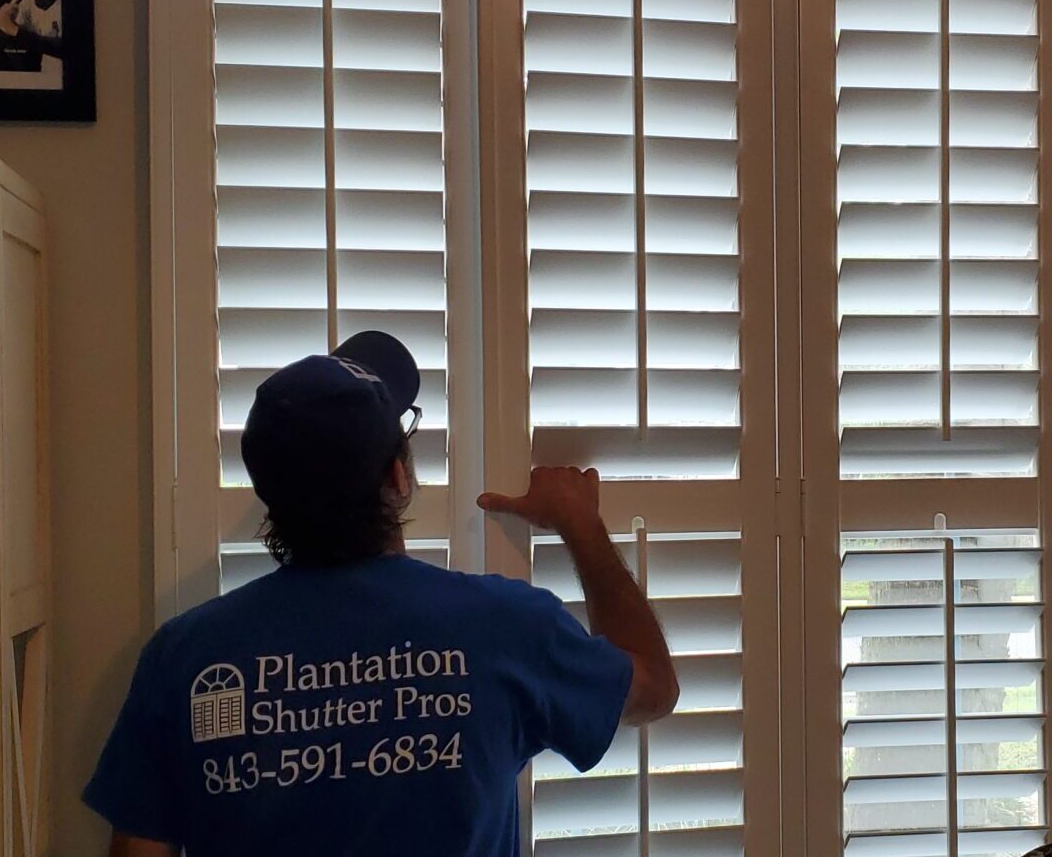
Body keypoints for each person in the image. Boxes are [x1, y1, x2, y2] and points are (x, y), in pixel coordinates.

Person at [82, 332, 679, 857]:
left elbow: (138, 848)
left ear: (269, 496)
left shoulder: (184, 659)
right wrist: (581, 523)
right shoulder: (504, 628)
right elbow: (652, 687)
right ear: (398, 479)